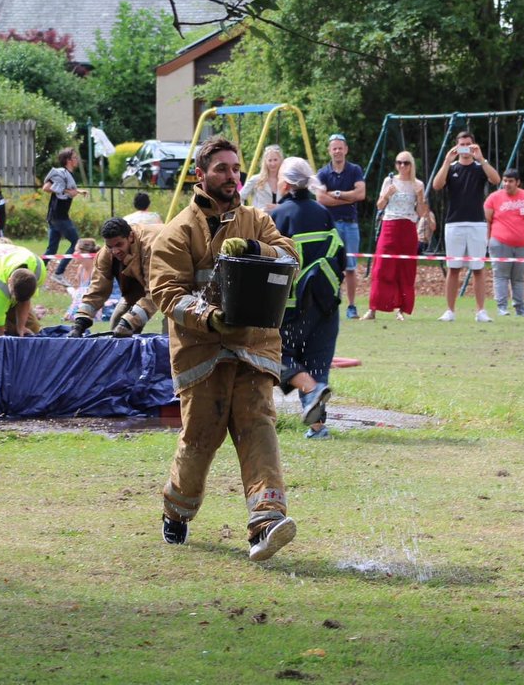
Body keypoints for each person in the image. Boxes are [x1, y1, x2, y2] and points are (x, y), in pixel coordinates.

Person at [148, 135, 299, 561]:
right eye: (222, 169)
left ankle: (266, 523)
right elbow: (166, 292)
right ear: (201, 175)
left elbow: (290, 256)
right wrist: (209, 318)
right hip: (202, 352)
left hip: (254, 347)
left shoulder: (256, 219)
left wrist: (255, 248)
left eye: (236, 169)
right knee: (201, 438)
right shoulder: (176, 233)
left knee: (259, 428)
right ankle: (176, 511)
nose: (232, 176)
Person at [270, 157, 346, 439]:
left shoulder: (278, 216)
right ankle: (318, 427)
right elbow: (342, 257)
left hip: (291, 308)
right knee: (317, 363)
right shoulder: (324, 213)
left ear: (286, 183)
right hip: (327, 304)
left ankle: (311, 391)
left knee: (271, 356)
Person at [431, 130, 501, 322]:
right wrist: (447, 161)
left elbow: (496, 180)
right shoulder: (451, 167)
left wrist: (482, 159)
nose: (465, 149)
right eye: (462, 145)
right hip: (454, 223)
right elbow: (437, 185)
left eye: (468, 144)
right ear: (456, 146)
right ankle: (450, 310)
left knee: (478, 268)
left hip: (477, 223)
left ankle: (480, 311)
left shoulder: (480, 168)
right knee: (453, 268)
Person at [362, 151, 431, 321]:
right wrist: (386, 195)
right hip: (389, 225)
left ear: (411, 165)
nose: (402, 166)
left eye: (406, 163)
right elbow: (379, 206)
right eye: (399, 162)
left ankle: (402, 309)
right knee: (381, 267)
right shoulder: (389, 181)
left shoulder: (418, 184)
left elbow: (422, 213)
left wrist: (421, 197)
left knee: (405, 268)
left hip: (408, 227)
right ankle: (373, 308)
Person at [68, 217, 161, 337]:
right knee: (117, 327)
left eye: (119, 244)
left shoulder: (152, 248)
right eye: (110, 246)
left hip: (174, 284)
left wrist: (129, 323)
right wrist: (80, 322)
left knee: (172, 334)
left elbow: (157, 292)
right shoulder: (105, 254)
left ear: (131, 237)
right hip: (137, 288)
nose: (115, 251)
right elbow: (97, 290)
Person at [316, 133, 365, 319]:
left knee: (351, 267)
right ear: (329, 151)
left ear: (346, 150)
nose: (337, 151)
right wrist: (346, 198)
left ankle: (352, 306)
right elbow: (320, 198)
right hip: (331, 226)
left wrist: (335, 194)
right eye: (334, 148)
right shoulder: (322, 173)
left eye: (340, 148)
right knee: (330, 265)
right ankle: (331, 303)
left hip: (351, 226)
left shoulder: (355, 170)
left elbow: (360, 194)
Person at [484, 169, 524, 317]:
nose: (507, 184)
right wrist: (488, 240)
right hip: (500, 242)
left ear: (518, 182)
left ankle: (520, 308)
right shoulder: (493, 198)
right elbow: (487, 220)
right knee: (501, 275)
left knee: (519, 277)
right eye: (505, 181)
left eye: (510, 181)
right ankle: (502, 307)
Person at [43, 147, 89, 288]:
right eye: (75, 158)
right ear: (68, 160)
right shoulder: (60, 172)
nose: (77, 160)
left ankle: (34, 274)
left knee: (52, 250)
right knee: (76, 242)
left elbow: (67, 189)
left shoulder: (66, 174)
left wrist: (78, 191)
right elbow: (45, 187)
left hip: (55, 216)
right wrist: (67, 191)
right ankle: (59, 273)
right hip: (59, 217)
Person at [242, 144, 283, 213]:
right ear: (265, 162)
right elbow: (239, 197)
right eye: (270, 160)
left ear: (280, 160)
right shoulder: (256, 179)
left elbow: (292, 203)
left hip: (280, 221)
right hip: (260, 221)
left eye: (275, 160)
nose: (273, 163)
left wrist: (280, 207)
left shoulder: (286, 180)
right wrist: (248, 214)